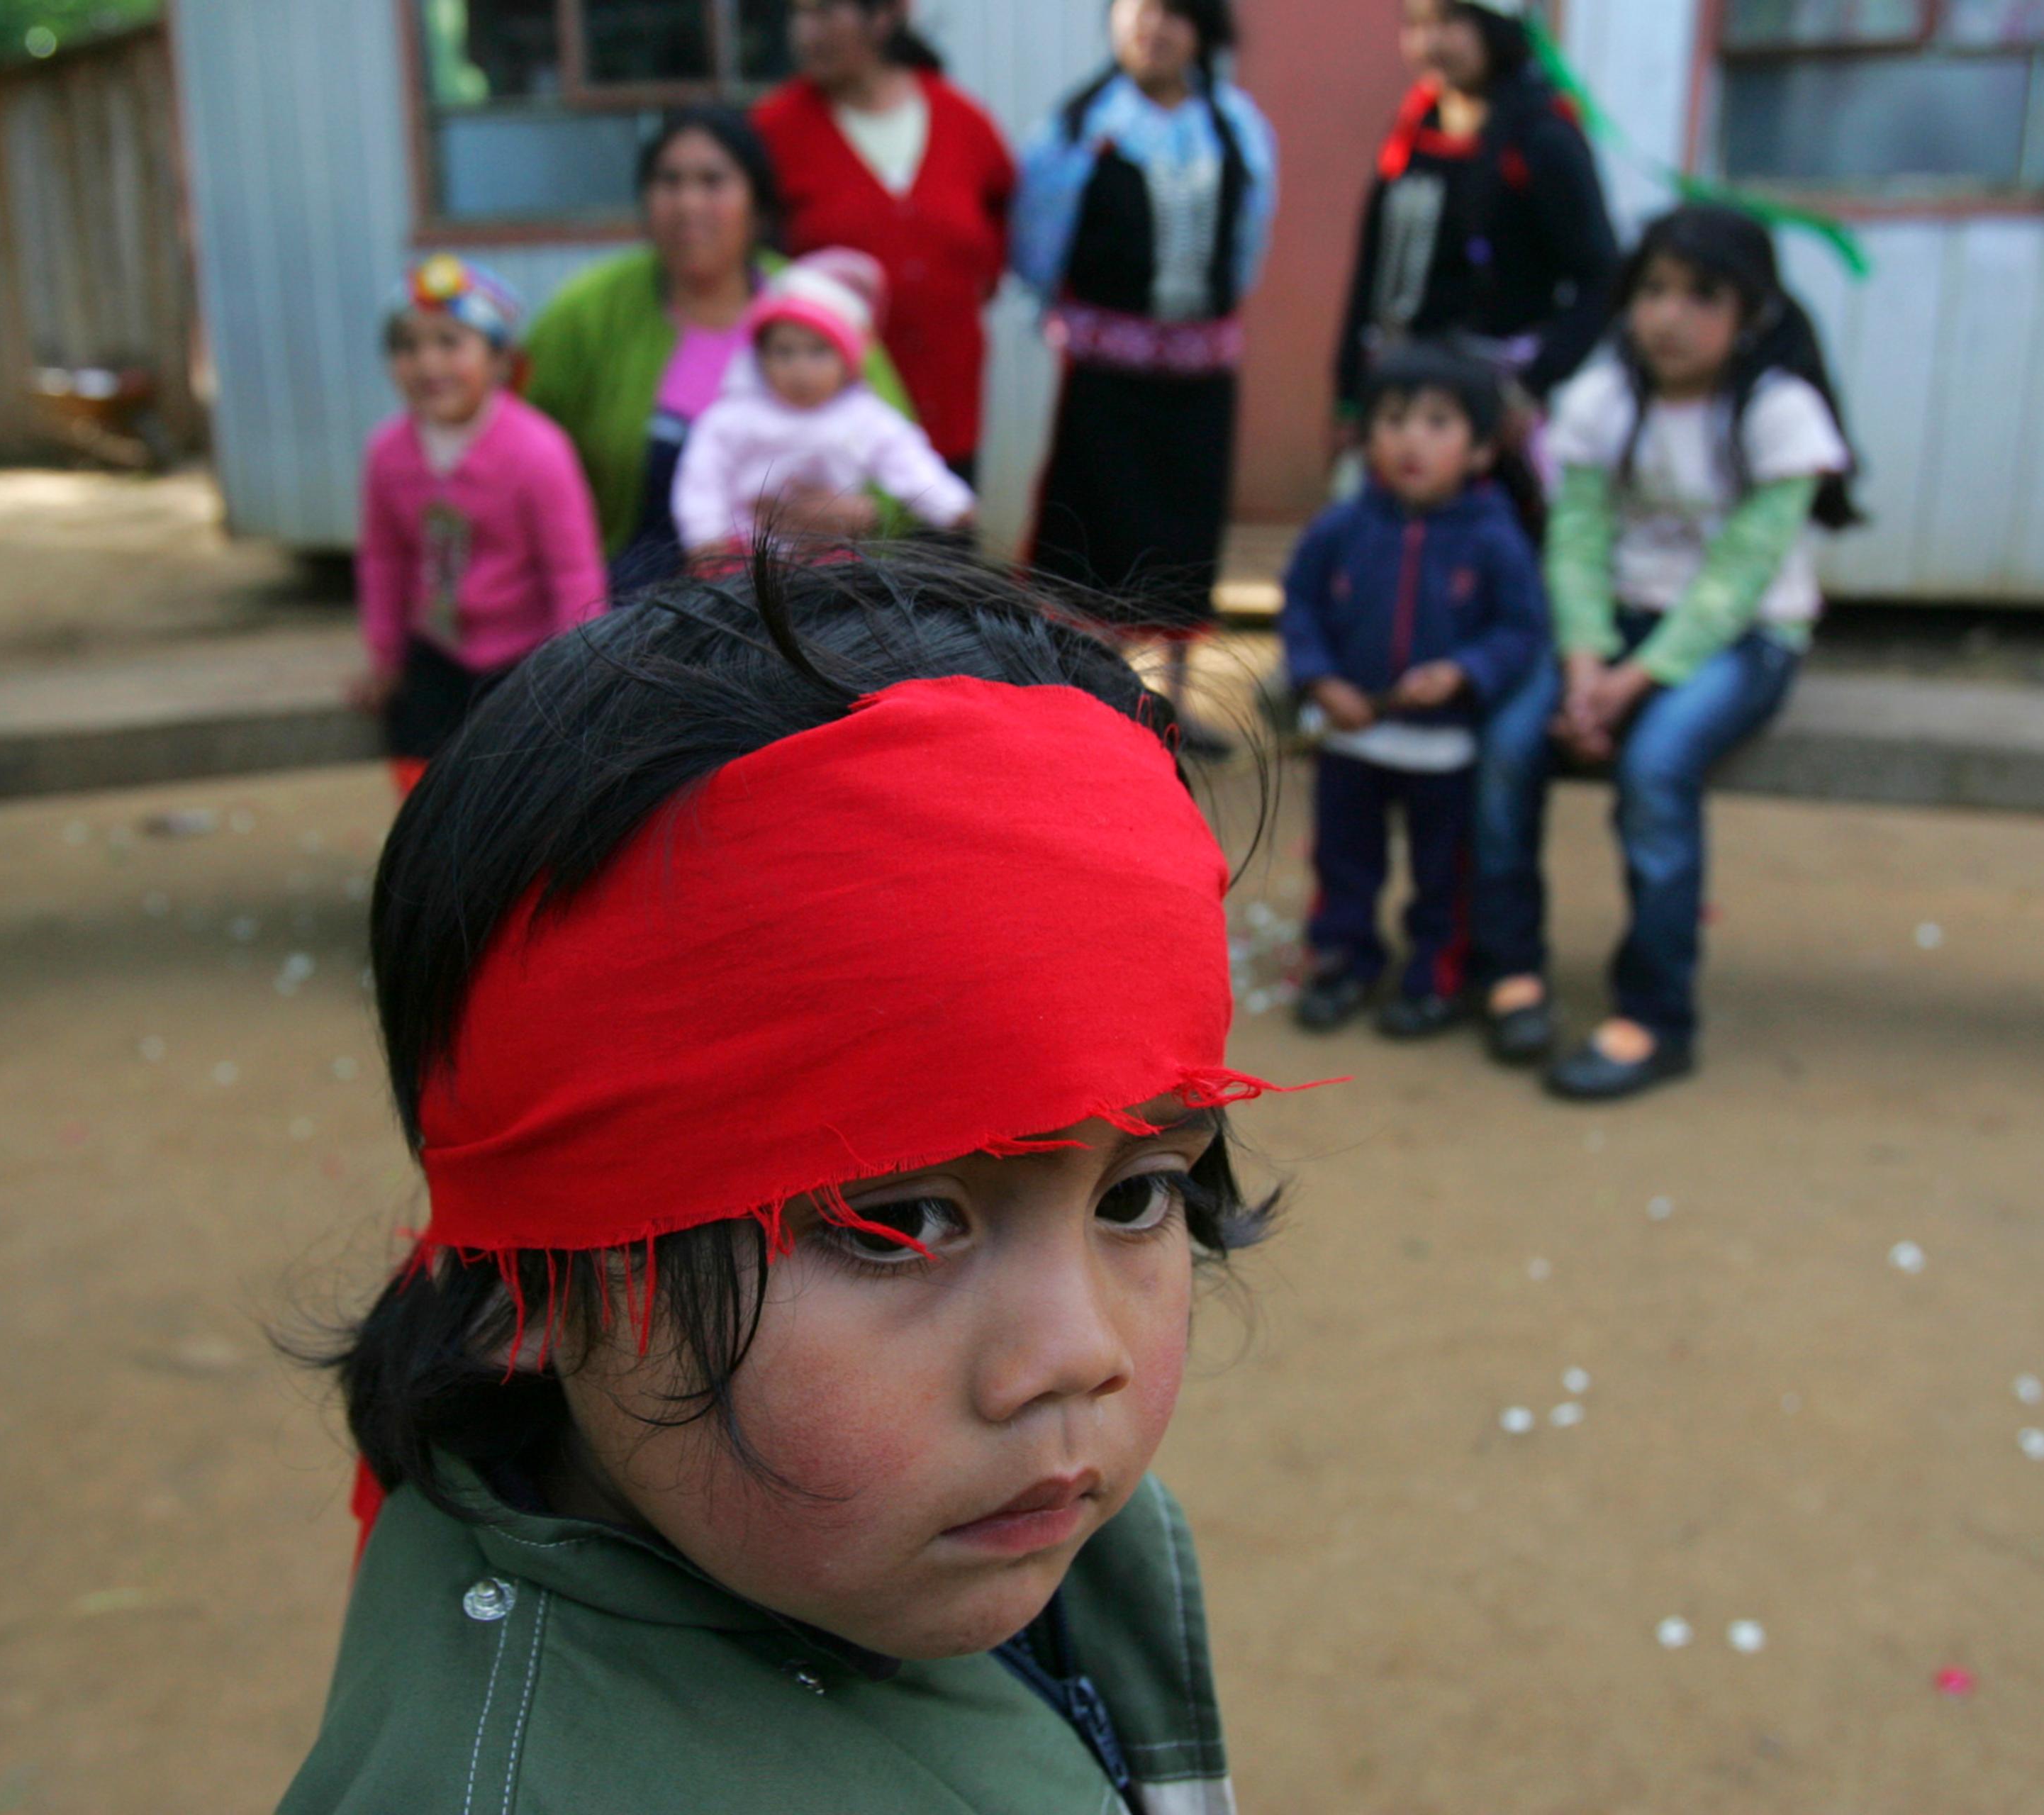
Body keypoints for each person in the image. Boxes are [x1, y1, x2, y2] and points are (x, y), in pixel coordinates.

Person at [279, 546, 1292, 1814]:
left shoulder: (954, 1539)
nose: (1077, 1352)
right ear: (530, 1272)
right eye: (899, 1222)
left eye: (1134, 1195)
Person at [1471, 204, 1859, 1100]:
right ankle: (1508, 968)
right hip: (1609, 631)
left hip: (1744, 635)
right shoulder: (1605, 397)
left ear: (1754, 313)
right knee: (1506, 747)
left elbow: (1737, 578)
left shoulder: (1779, 412)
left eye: (1701, 295)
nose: (1668, 316)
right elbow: (1574, 543)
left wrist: (1629, 687)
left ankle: (1655, 1016)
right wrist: (1580, 666)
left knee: (1655, 766)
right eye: (1651, 290)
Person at [1012, 0, 1277, 755]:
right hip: (1105, 379)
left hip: (1199, 381)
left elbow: (1250, 235)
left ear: (1202, 29)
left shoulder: (1237, 126)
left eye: (1171, 14)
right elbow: (1037, 246)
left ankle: (1171, 703)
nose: (1149, 29)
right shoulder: (1077, 129)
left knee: (1183, 536)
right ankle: (1083, 696)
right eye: (1134, 9)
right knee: (1091, 526)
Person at [516, 108, 915, 593]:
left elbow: (900, 458)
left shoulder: (816, 305)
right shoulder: (586, 313)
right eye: (669, 181)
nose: (688, 203)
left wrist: (863, 513)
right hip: (629, 597)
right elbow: (515, 442)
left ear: (758, 204)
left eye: (712, 181)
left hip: (803, 591)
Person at [1281, 340, 1548, 1040]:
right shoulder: (1341, 526)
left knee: (1442, 874)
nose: (1410, 440)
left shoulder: (1497, 538)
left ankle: (1435, 976)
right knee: (1343, 858)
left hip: (1444, 749)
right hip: (1351, 735)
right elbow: (1300, 603)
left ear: (1483, 449)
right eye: (1393, 420)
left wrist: (1465, 671)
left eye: (1437, 423)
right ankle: (1342, 961)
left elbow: (1521, 629)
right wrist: (1319, 677)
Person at [352, 255, 605, 793]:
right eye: (407, 346)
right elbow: (383, 557)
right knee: (418, 771)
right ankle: (432, 867)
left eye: (449, 342)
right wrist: (385, 654)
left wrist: (577, 671)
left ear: (498, 360)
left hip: (525, 653)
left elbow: (572, 569)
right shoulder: (387, 453)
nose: (427, 364)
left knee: (513, 784)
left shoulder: (538, 452)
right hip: (436, 646)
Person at [1334, 0, 1619, 442]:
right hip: (1399, 390)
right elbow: (1372, 269)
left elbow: (1602, 277)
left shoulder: (1542, 139)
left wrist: (1533, 382)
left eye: (1450, 22)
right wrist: (1349, 394)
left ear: (1497, 26)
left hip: (1492, 408)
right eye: (1416, 24)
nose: (1430, 43)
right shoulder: (1413, 132)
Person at [755, 0, 1015, 484]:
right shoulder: (774, 130)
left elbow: (1005, 211)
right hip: (828, 437)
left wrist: (976, 279)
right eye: (798, 15)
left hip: (949, 417)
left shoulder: (963, 121)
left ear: (884, 17)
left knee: (945, 549)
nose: (805, 32)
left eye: (825, 14)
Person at [671, 250, 975, 557]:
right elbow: (702, 477)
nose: (800, 369)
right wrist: (704, 537)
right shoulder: (735, 416)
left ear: (847, 362)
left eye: (817, 352)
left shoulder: (864, 416)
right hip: (743, 555)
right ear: (759, 358)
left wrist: (953, 507)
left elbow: (910, 463)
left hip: (835, 558)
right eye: (784, 352)